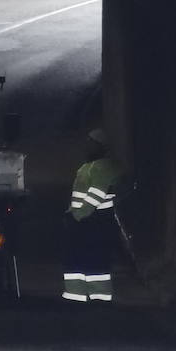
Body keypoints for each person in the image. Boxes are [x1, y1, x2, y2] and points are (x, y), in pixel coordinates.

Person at [62, 127, 125, 305]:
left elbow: (95, 196)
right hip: (85, 222)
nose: (86, 146)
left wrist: (77, 216)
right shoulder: (90, 167)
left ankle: (98, 298)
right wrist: (72, 214)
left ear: (100, 146)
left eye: (91, 143)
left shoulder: (103, 167)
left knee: (95, 260)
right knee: (79, 259)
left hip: (94, 222)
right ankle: (78, 295)